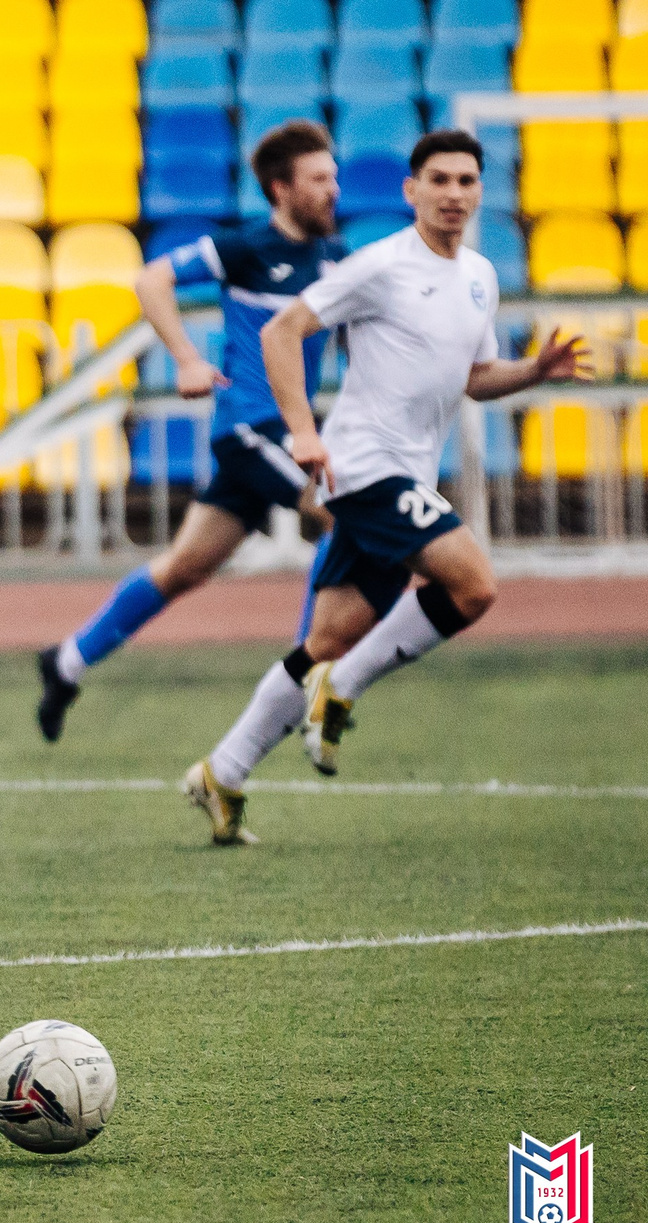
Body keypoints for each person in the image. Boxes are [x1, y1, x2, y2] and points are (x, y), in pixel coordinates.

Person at [183, 131, 586, 844]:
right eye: (440, 180)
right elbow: (282, 331)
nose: (454, 194)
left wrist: (533, 371)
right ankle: (342, 689)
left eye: (467, 180)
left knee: (329, 635)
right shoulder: (379, 266)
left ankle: (224, 770)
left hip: (405, 472)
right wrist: (303, 431)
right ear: (412, 191)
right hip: (365, 466)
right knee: (474, 585)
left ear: (479, 192)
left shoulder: (479, 277)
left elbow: (473, 378)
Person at [36, 121, 347, 740]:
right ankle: (307, 680)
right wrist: (184, 357)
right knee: (339, 511)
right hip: (253, 429)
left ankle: (67, 660)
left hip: (277, 437)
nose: (334, 189)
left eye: (334, 176)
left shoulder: (335, 260)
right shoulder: (248, 248)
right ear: (281, 189)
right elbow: (152, 279)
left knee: (183, 567)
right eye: (318, 179)